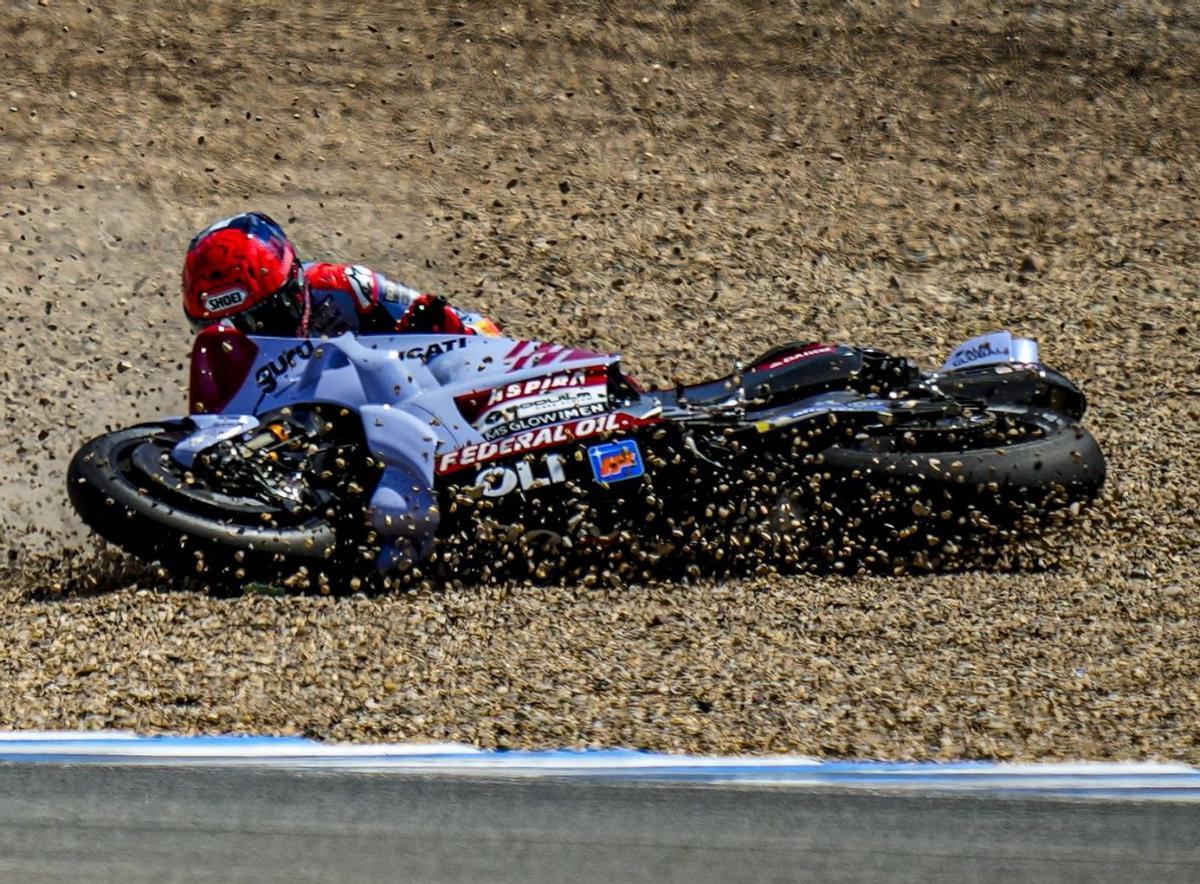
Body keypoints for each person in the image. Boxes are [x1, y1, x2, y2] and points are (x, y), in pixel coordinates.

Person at [181, 211, 498, 575]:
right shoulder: (226, 362)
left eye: (260, 319)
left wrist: (459, 338)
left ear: (294, 285)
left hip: (400, 408)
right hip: (305, 449)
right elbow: (207, 430)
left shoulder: (345, 287)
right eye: (225, 329)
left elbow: (473, 328)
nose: (247, 336)